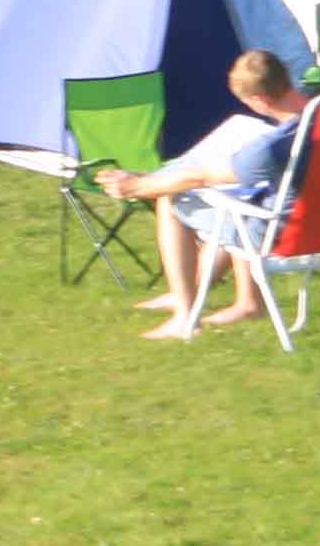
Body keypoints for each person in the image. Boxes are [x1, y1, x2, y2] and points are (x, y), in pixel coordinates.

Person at [94, 48, 307, 341]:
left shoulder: (271, 147)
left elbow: (200, 178)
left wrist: (136, 187)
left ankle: (185, 315)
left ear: (260, 100)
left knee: (172, 200)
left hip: (282, 232)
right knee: (240, 195)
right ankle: (246, 303)